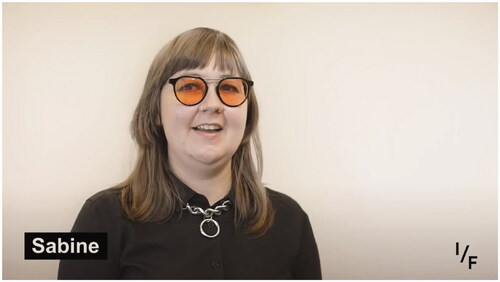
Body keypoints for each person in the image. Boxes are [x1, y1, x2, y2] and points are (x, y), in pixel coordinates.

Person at [58, 27, 321, 279]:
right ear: (155, 110)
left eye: (229, 88)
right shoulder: (100, 218)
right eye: (190, 87)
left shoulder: (290, 220)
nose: (213, 104)